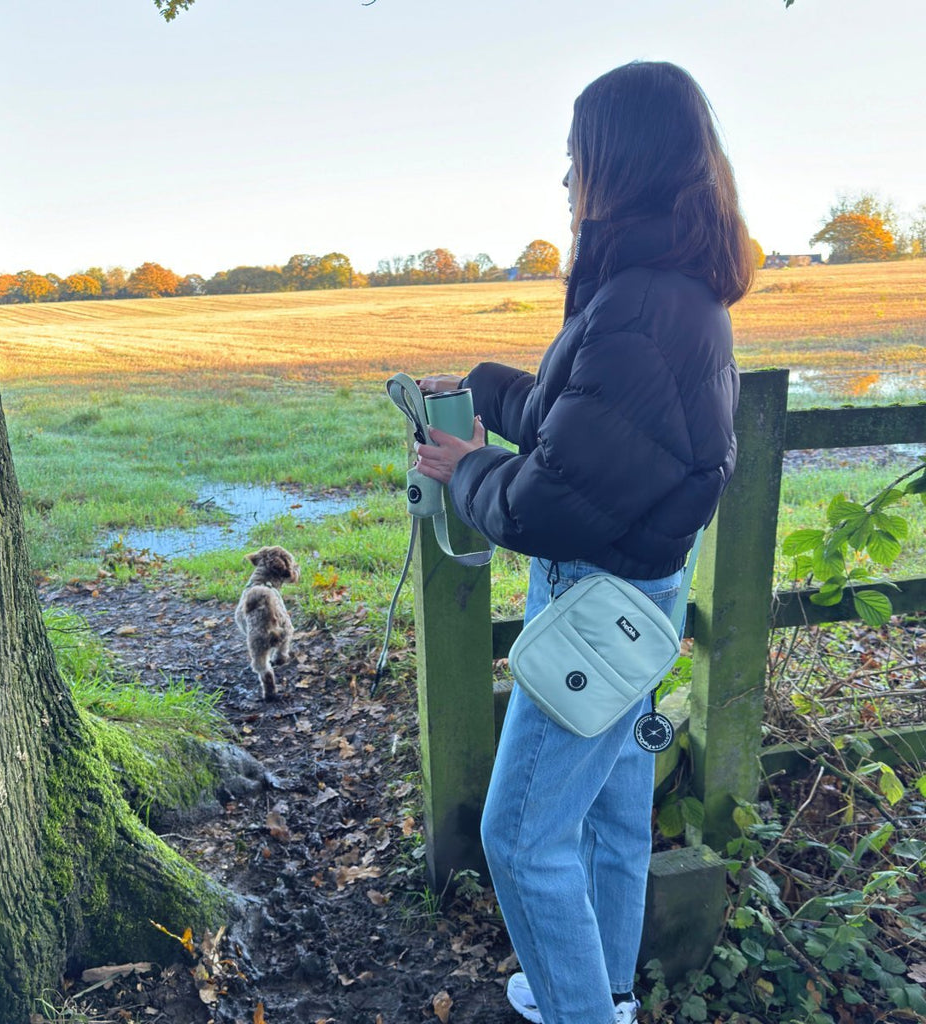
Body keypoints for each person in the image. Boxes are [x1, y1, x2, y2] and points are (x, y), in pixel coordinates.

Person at [414, 61, 754, 1024]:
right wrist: (497, 385)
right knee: (611, 815)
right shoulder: (667, 291)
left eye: (575, 159)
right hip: (636, 595)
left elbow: (549, 499)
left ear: (620, 165)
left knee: (519, 836)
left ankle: (582, 1012)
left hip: (598, 606)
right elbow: (602, 431)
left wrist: (463, 469)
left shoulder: (641, 303)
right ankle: (599, 990)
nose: (565, 183)